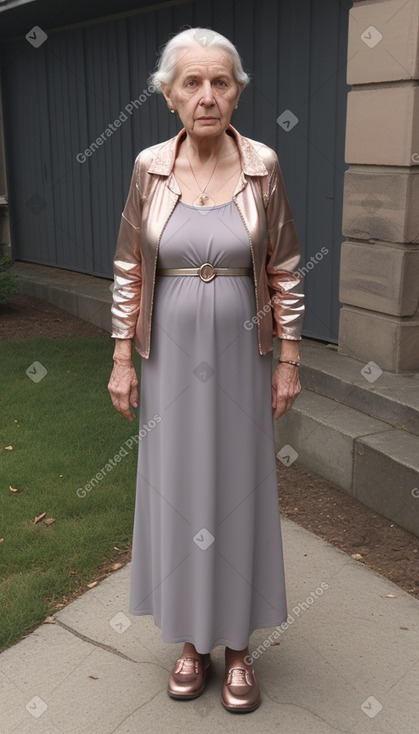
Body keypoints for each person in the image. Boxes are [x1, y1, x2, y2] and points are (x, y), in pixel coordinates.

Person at [108, 26, 305, 714]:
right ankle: (190, 641)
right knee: (177, 493)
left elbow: (282, 268)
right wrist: (120, 360)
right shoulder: (147, 168)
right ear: (167, 95)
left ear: (238, 91)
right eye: (190, 82)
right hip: (166, 364)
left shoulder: (263, 166)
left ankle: (240, 645)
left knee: (237, 492)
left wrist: (288, 357)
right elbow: (132, 268)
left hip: (242, 361)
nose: (206, 95)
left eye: (219, 81)